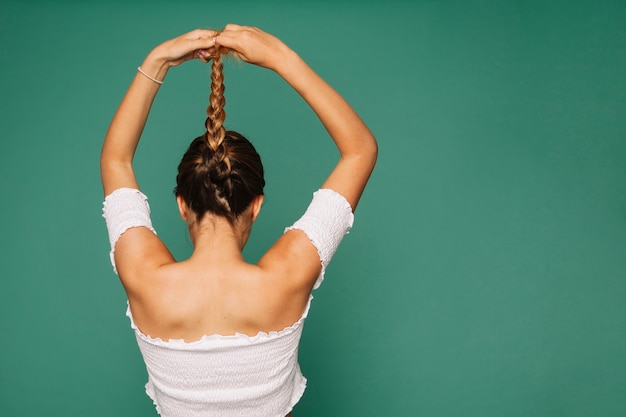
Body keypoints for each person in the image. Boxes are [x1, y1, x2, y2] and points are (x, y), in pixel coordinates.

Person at [101, 24, 377, 417]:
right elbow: (360, 150)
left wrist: (156, 61)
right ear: (257, 204)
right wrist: (282, 58)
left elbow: (116, 161)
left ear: (182, 204)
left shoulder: (143, 277)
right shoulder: (290, 274)